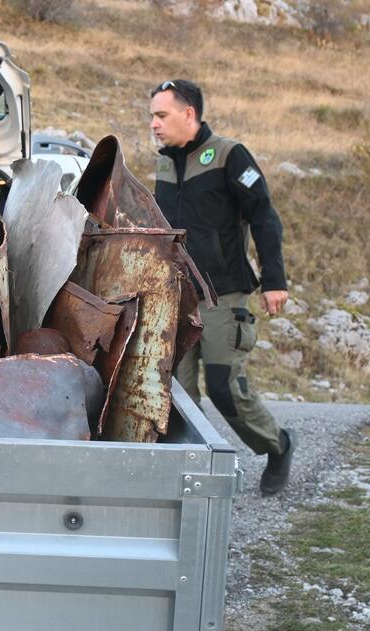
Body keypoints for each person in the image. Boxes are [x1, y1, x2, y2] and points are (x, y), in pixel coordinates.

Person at [150, 79, 296, 496]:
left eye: (161, 115)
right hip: (178, 296)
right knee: (177, 391)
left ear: (189, 114)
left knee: (223, 384)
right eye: (151, 116)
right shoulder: (163, 164)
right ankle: (188, 472)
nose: (154, 125)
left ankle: (278, 444)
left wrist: (274, 281)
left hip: (224, 292)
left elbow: (265, 216)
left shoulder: (230, 156)